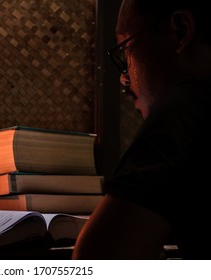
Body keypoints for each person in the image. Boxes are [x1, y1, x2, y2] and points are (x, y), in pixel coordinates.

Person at [72, 0, 211, 259]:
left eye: (126, 51)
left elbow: (98, 260)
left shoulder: (189, 105)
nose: (124, 79)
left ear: (180, 32)